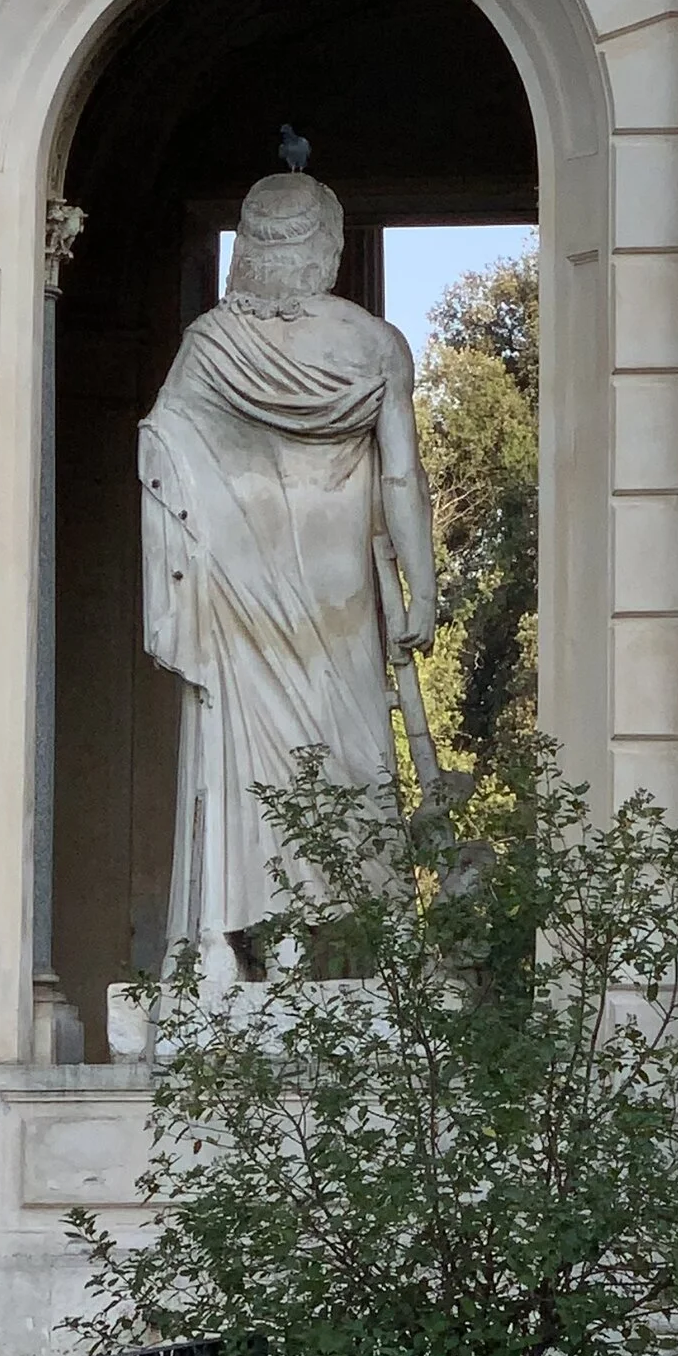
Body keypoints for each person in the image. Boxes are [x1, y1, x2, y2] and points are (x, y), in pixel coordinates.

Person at [137, 169, 436, 982]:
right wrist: (423, 584)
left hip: (240, 599)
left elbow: (160, 451)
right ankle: (378, 942)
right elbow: (401, 478)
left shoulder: (208, 346)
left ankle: (255, 938)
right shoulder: (373, 345)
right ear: (327, 247)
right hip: (340, 604)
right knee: (354, 756)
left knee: (252, 765)